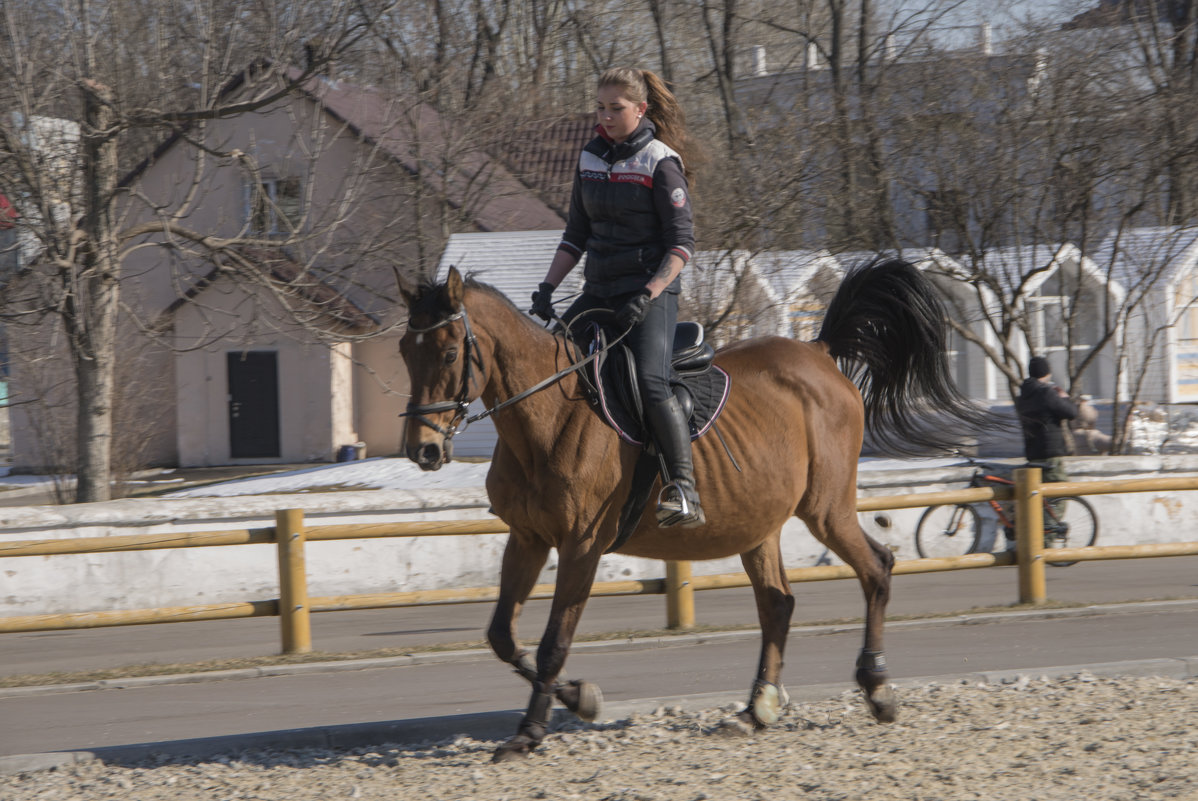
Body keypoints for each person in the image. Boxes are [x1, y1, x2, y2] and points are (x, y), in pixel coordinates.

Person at [528, 67, 704, 528]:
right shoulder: (589, 157)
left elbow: (682, 245)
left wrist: (648, 294)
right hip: (599, 292)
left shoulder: (661, 162)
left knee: (650, 382)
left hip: (650, 296)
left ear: (641, 110)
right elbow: (575, 235)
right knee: (551, 368)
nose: (604, 117)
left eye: (616, 109)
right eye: (600, 107)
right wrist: (547, 287)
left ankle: (683, 488)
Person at [1013, 355, 1078, 547]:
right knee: (1059, 497)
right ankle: (1045, 541)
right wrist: (1064, 397)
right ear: (1047, 373)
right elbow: (1071, 413)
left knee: (1038, 501)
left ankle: (1035, 539)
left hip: (1033, 454)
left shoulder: (1023, 396)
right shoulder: (1047, 392)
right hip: (1051, 454)